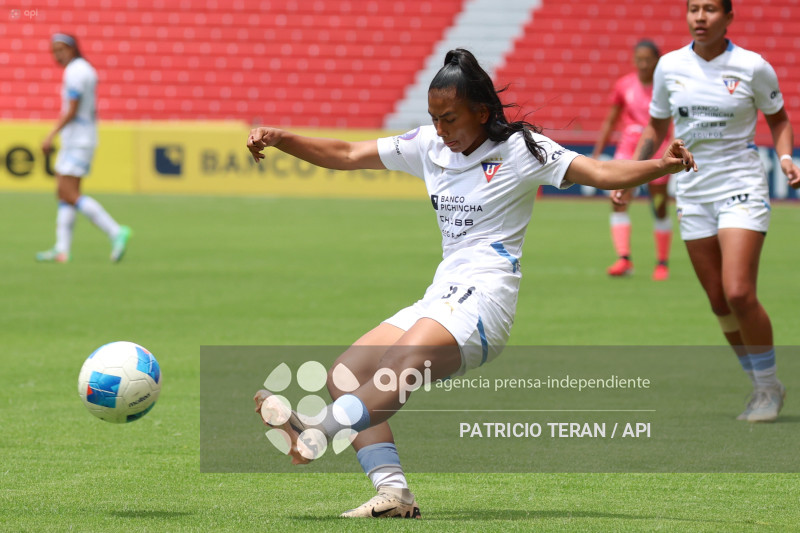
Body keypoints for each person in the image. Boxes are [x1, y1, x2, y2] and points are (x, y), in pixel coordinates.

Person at [248, 49, 695, 519]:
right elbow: (345, 153)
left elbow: (601, 172)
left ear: (482, 112)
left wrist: (662, 167)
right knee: (347, 376)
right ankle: (395, 494)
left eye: (450, 119)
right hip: (441, 295)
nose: (441, 130)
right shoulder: (428, 145)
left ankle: (314, 434)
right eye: (435, 119)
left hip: (485, 301)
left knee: (401, 364)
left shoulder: (522, 151)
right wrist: (282, 138)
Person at [622, 0, 800, 422]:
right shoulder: (668, 66)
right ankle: (765, 385)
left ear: (729, 18)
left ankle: (766, 388)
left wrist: (787, 157)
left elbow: (778, 119)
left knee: (739, 291)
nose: (700, 17)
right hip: (694, 193)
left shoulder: (753, 67)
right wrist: (631, 174)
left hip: (742, 186)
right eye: (694, 9)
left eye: (710, 9)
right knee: (719, 301)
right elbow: (656, 126)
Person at [37, 33, 131, 264]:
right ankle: (62, 250)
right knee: (64, 193)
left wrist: (50, 135)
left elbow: (72, 109)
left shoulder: (76, 72)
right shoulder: (85, 69)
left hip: (77, 139)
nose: (57, 55)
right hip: (82, 137)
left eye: (61, 50)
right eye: (54, 51)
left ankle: (115, 231)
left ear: (72, 49)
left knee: (68, 192)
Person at [592, 40, 674, 280]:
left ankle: (662, 263)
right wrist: (598, 150)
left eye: (648, 59)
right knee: (618, 199)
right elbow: (611, 120)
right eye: (639, 59)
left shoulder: (665, 88)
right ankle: (624, 258)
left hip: (657, 149)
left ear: (657, 60)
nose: (643, 63)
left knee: (659, 206)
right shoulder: (624, 85)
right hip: (627, 151)